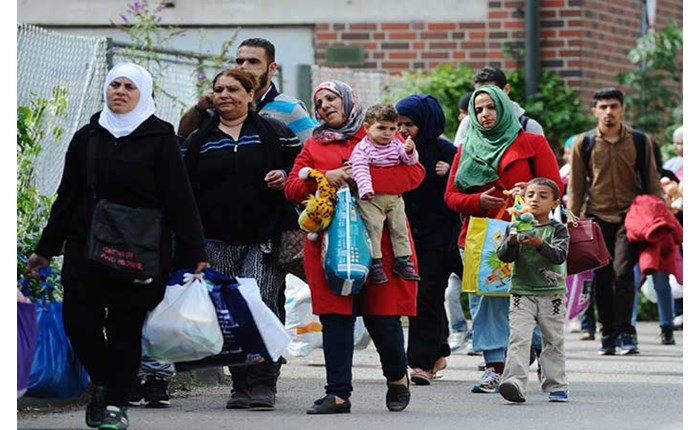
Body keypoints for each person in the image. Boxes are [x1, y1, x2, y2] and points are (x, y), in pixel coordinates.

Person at [26, 62, 209, 430]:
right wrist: (45, 248)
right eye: (115, 85)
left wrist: (194, 251)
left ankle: (114, 405)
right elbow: (67, 196)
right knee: (79, 323)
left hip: (141, 248)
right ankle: (105, 381)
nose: (120, 92)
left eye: (129, 86)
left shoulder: (160, 139)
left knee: (126, 327)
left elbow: (180, 198)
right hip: (86, 246)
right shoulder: (87, 136)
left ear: (143, 93)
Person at [284, 80, 425, 414]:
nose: (325, 106)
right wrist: (324, 175)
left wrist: (361, 180)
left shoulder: (378, 132)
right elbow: (292, 188)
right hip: (331, 243)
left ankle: (396, 378)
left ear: (348, 101)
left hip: (381, 243)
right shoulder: (313, 144)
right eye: (318, 102)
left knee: (383, 318)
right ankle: (338, 394)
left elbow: (413, 175)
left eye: (331, 98)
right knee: (335, 318)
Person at [181, 68, 301, 410]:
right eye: (218, 90)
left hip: (264, 237)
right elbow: (183, 188)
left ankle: (264, 382)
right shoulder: (200, 140)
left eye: (233, 89)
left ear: (251, 95)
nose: (225, 95)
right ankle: (240, 383)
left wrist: (287, 177)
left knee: (260, 300)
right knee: (229, 311)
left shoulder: (275, 132)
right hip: (216, 240)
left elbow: (305, 170)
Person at [444, 85, 563, 394]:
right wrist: (476, 202)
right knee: (485, 300)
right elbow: (451, 196)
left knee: (529, 297)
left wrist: (532, 191)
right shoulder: (466, 146)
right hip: (482, 234)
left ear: (504, 107)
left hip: (528, 234)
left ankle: (531, 346)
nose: (485, 114)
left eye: (490, 107)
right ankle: (494, 367)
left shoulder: (532, 143)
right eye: (479, 109)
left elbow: (555, 189)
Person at [567, 88, 663, 356]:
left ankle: (625, 333)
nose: (609, 112)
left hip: (629, 218)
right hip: (596, 218)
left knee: (623, 274)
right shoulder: (583, 143)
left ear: (622, 109)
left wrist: (659, 215)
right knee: (602, 276)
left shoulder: (640, 141)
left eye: (614, 106)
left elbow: (653, 181)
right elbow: (575, 186)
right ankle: (607, 333)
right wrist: (572, 222)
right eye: (603, 107)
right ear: (595, 110)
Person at [394, 94, 460, 385]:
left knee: (426, 297)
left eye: (410, 124)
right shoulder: (396, 150)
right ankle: (437, 352)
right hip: (407, 235)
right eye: (399, 123)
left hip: (442, 238)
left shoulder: (448, 151)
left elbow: (466, 188)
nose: (404, 129)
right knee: (424, 298)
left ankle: (421, 363)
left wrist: (449, 176)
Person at [496, 177, 571, 403]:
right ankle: (514, 382)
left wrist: (539, 243)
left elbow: (559, 256)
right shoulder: (515, 224)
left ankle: (556, 384)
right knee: (519, 338)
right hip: (521, 292)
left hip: (552, 294)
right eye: (530, 195)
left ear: (555, 204)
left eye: (542, 196)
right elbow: (504, 257)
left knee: (553, 341)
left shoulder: (558, 229)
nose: (535, 200)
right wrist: (511, 241)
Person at [178, 37, 315, 144]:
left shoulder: (290, 109)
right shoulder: (221, 102)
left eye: (253, 62)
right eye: (239, 61)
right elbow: (182, 138)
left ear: (272, 68)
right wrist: (199, 108)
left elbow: (311, 155)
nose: (244, 67)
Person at [350, 103, 421, 284]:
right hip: (370, 197)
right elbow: (360, 170)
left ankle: (403, 260)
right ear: (367, 128)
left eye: (392, 128)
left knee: (400, 226)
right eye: (381, 128)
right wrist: (366, 189)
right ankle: (375, 262)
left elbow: (409, 161)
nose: (387, 133)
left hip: (394, 198)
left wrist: (410, 150)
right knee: (373, 226)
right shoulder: (362, 149)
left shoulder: (395, 144)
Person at [453, 66, 544, 146]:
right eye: (480, 93)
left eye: (492, 92)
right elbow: (457, 159)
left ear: (506, 89)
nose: (485, 97)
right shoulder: (469, 123)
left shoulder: (528, 126)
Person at [663, 125, 683, 330]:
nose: (679, 147)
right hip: (676, 221)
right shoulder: (672, 165)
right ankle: (679, 310)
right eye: (676, 143)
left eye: (682, 143)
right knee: (677, 267)